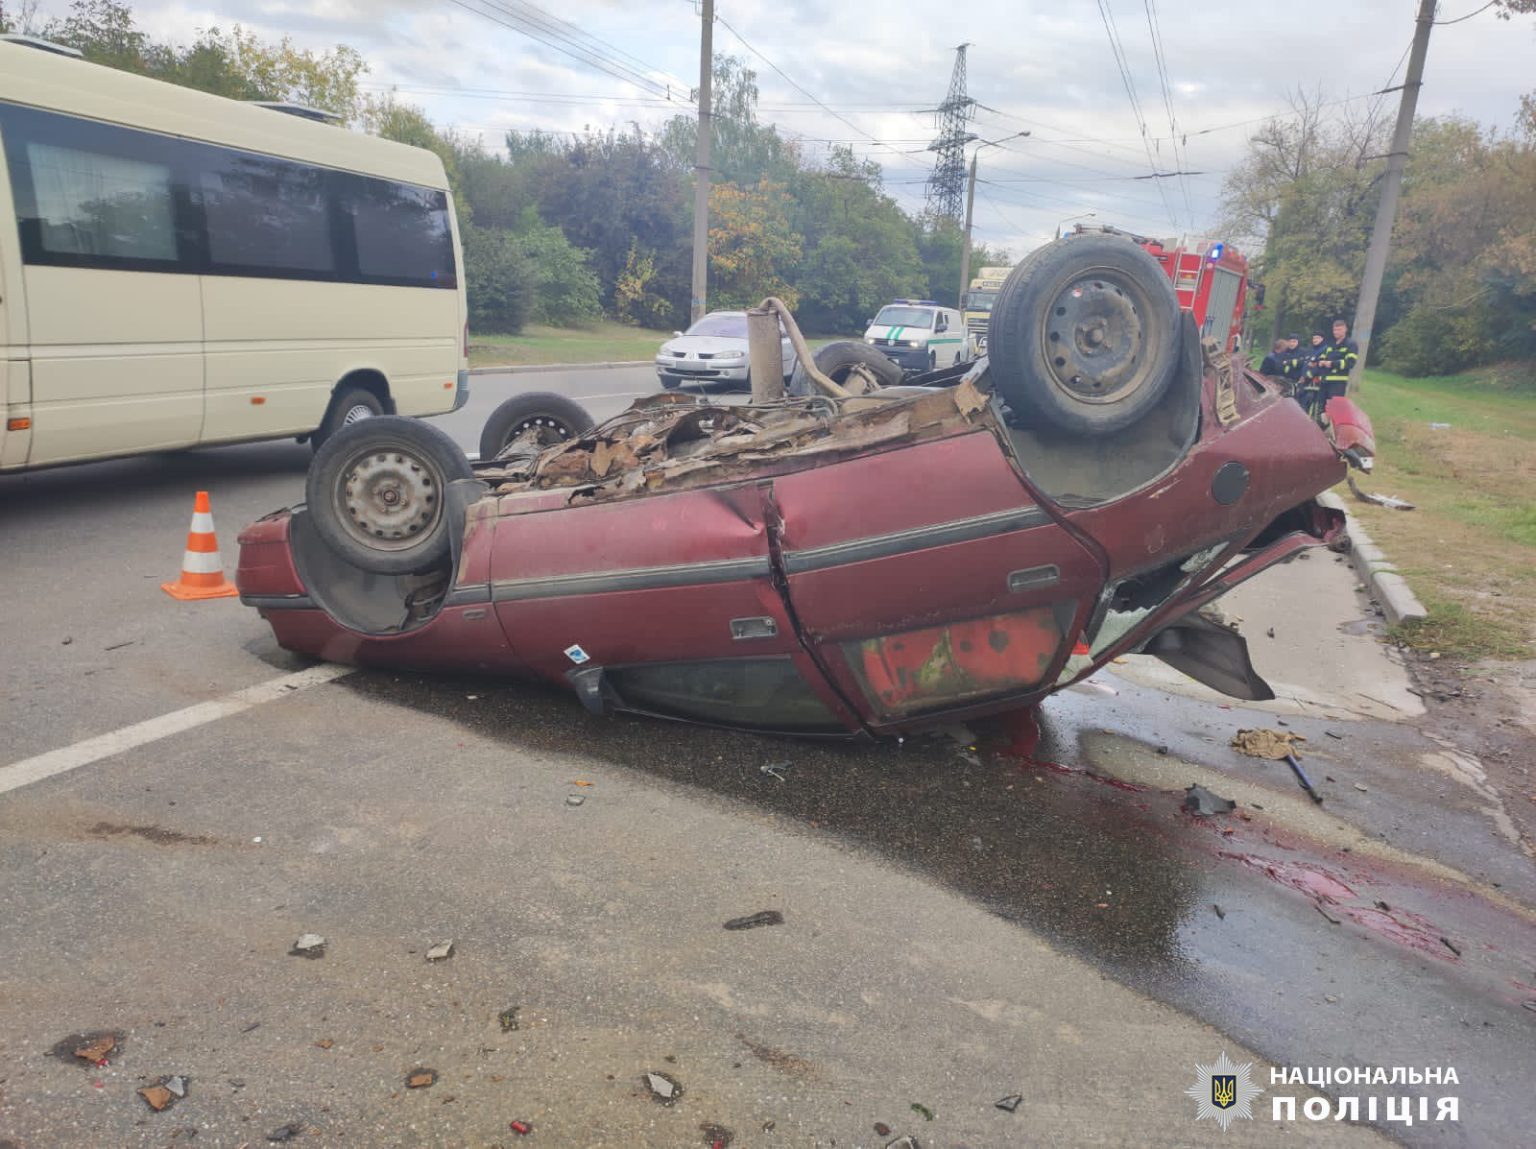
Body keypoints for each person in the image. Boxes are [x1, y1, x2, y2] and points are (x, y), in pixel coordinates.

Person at [1315, 318, 1359, 410]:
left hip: (1338, 383)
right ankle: (1321, 423)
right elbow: (1323, 355)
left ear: (1345, 329)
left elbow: (1350, 363)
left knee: (1334, 410)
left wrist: (1331, 364)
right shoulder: (1331, 344)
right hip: (1324, 381)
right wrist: (1321, 361)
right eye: (1335, 330)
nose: (1336, 332)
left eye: (1339, 329)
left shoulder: (1350, 344)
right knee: (1321, 409)